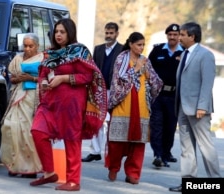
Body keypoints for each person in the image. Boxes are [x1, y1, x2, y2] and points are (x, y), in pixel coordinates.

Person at [29, 18, 107, 191]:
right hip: (50, 101)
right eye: (56, 31)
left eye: (62, 32)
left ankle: (73, 181)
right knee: (37, 131)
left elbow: (88, 76)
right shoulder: (50, 53)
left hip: (72, 102)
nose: (58, 35)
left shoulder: (80, 51)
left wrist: (63, 78)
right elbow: (43, 73)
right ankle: (50, 172)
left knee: (71, 139)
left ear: (70, 33)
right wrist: (43, 82)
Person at [169, 22, 221, 192]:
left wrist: (202, 107)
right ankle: (188, 183)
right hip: (183, 108)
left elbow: (207, 83)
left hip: (198, 109)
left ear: (192, 36)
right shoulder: (184, 54)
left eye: (182, 35)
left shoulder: (205, 55)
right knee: (186, 147)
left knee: (206, 146)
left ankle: (216, 182)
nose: (179, 37)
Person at [105, 32, 163, 184]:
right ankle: (113, 167)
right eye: (139, 44)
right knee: (117, 141)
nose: (141, 48)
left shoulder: (145, 60)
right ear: (131, 44)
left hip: (141, 105)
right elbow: (118, 82)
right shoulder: (121, 59)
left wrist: (153, 81)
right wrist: (135, 69)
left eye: (143, 45)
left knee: (138, 143)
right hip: (123, 103)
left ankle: (133, 173)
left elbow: (156, 81)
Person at [1, 33, 43, 178]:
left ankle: (29, 169)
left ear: (37, 46)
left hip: (33, 97)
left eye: (31, 46)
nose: (27, 49)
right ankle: (14, 165)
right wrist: (17, 79)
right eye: (25, 46)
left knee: (27, 131)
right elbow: (11, 78)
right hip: (17, 96)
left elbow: (47, 79)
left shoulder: (43, 59)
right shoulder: (17, 59)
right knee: (10, 127)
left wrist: (31, 78)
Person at [82, 22, 123, 162]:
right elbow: (93, 67)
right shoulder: (98, 49)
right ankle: (95, 151)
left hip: (115, 90)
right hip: (98, 89)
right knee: (95, 118)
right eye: (107, 33)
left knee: (112, 121)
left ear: (117, 33)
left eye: (111, 33)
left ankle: (111, 151)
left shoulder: (123, 49)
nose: (108, 35)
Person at [148, 24, 184, 168]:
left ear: (179, 36)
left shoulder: (185, 53)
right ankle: (158, 154)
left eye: (175, 35)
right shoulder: (157, 50)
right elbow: (148, 69)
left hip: (174, 95)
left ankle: (166, 153)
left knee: (170, 126)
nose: (172, 37)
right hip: (158, 94)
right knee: (156, 125)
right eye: (170, 34)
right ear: (167, 35)